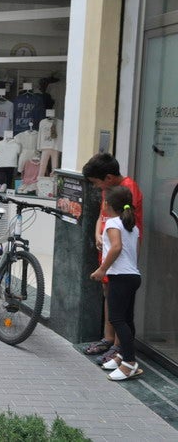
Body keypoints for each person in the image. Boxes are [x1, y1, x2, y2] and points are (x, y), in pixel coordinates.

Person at [81, 153, 143, 365]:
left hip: (120, 258)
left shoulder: (127, 189)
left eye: (96, 183)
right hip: (111, 256)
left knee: (120, 310)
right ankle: (110, 340)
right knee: (110, 296)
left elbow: (119, 239)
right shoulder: (111, 192)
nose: (97, 188)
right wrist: (98, 234)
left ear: (108, 178)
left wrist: (102, 268)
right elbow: (102, 217)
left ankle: (121, 350)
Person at [90, 185, 143, 381]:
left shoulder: (113, 223)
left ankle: (129, 363)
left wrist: (102, 269)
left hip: (120, 277)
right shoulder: (132, 226)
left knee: (118, 319)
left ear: (107, 204)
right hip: (132, 276)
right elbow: (133, 251)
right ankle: (122, 356)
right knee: (126, 319)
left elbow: (117, 248)